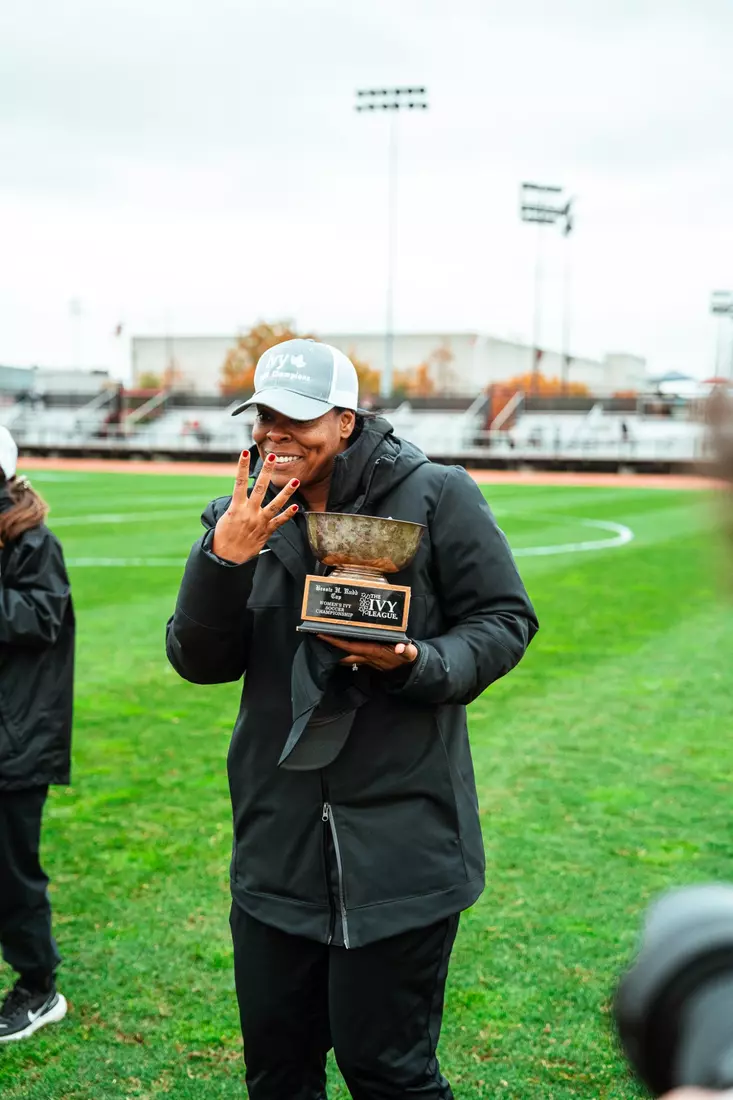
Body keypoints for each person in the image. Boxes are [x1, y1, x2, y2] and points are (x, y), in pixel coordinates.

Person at [166, 339, 539, 1099]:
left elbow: (503, 620)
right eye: (265, 417)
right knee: (279, 1075)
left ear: (344, 421)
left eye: (298, 419)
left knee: (389, 1074)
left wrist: (411, 662)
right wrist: (222, 561)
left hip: (403, 848)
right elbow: (198, 661)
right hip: (277, 848)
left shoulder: (437, 493)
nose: (277, 435)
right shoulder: (235, 513)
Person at [0, 427, 74, 1042]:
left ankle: (38, 985)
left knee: (11, 872)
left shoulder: (30, 540)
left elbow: (42, 614)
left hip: (14, 740)